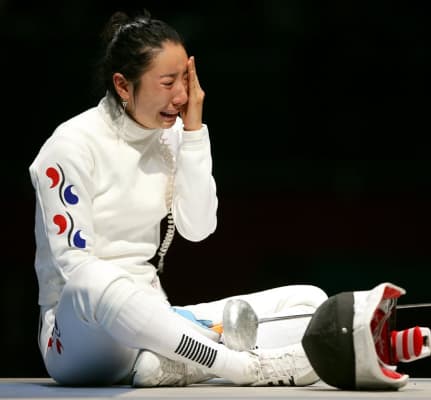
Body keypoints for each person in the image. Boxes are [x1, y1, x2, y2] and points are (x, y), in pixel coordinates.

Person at [28, 10, 328, 387]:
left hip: (158, 324)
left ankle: (169, 365)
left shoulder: (170, 136)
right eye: (168, 82)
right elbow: (74, 268)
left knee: (308, 303)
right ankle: (243, 368)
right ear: (123, 86)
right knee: (93, 277)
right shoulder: (70, 146)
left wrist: (194, 132)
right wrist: (170, 326)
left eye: (185, 80)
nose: (183, 96)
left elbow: (198, 228)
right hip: (79, 340)